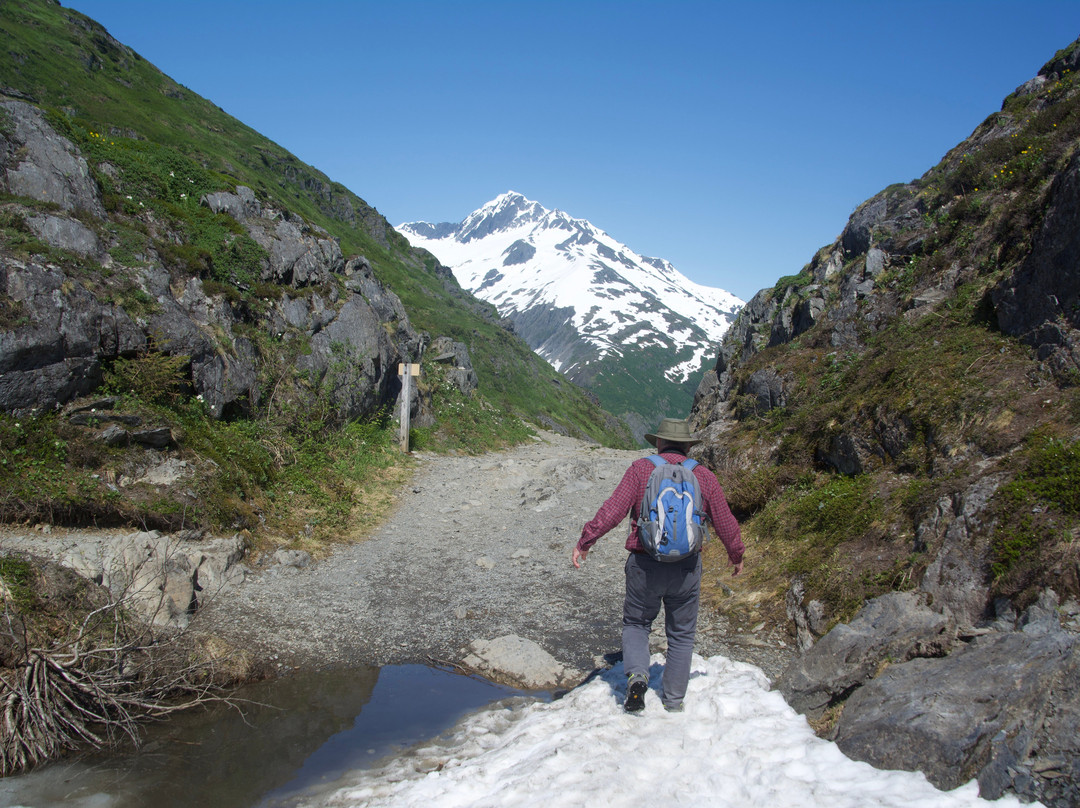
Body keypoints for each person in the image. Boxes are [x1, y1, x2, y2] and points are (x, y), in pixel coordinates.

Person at [572, 417, 744, 713]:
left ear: (660, 442)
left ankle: (638, 677)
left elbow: (613, 510)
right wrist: (736, 553)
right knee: (681, 634)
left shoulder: (641, 469)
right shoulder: (703, 476)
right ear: (688, 446)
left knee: (637, 624)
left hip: (644, 562)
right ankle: (674, 701)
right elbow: (725, 520)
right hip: (687, 568)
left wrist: (586, 540)